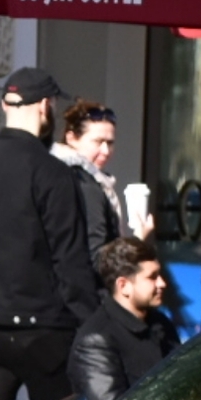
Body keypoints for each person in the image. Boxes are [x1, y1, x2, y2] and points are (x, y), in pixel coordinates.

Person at [0, 67, 100, 400]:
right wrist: (94, 324)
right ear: (45, 106)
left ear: (5, 106)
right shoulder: (51, 172)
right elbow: (70, 260)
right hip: (42, 330)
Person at [70, 237, 180, 400]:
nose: (162, 283)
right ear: (123, 286)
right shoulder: (96, 340)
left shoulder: (161, 325)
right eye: (152, 277)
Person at [53, 99, 148, 271]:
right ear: (71, 138)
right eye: (98, 141)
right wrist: (138, 240)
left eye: (110, 143)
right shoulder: (85, 185)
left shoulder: (56, 174)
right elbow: (98, 256)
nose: (105, 151)